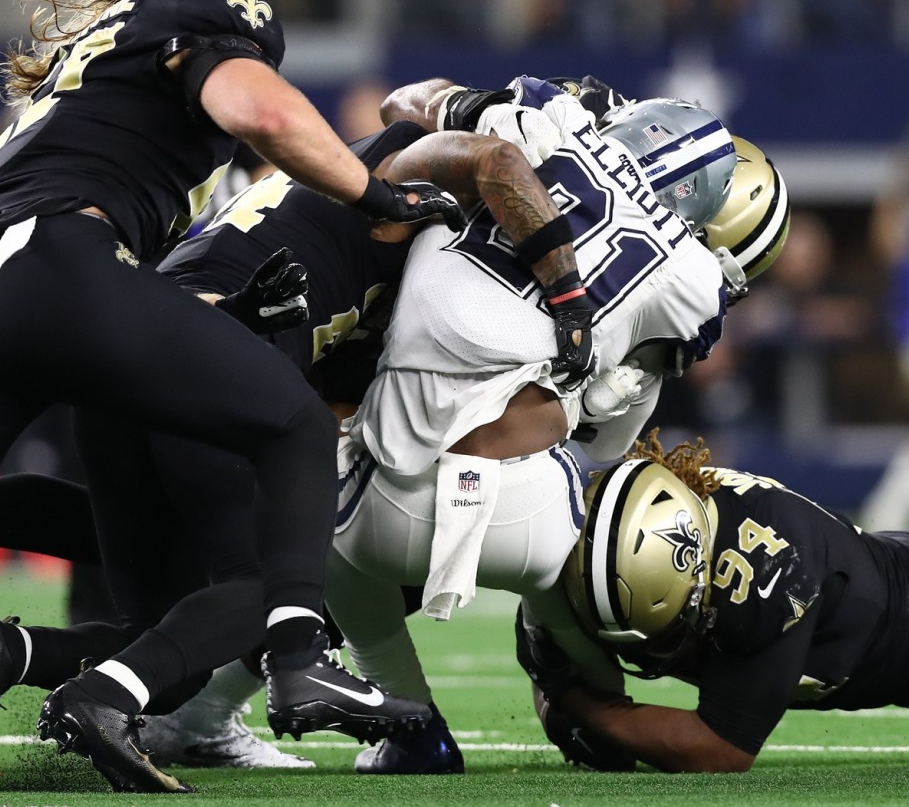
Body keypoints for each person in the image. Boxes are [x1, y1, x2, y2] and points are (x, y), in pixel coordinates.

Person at [0, 0, 470, 793]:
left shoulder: (106, 38)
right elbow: (257, 107)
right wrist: (375, 195)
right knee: (289, 424)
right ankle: (301, 653)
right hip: (52, 263)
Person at [0, 108, 602, 791]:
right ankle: (100, 697)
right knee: (272, 587)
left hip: (133, 362)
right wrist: (569, 295)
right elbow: (496, 163)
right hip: (198, 353)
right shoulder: (397, 175)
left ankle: (1, 644)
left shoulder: (352, 235)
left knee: (172, 649)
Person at [322, 75, 790, 774]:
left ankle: (412, 725)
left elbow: (401, 104)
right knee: (593, 507)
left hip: (369, 475)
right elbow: (599, 440)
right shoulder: (689, 285)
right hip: (527, 517)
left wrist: (474, 114)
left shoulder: (545, 116)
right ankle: (595, 708)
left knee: (316, 528)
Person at [517, 430, 909, 773]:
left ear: (699, 574)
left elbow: (719, 750)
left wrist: (583, 705)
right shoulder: (625, 520)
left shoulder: (773, 579)